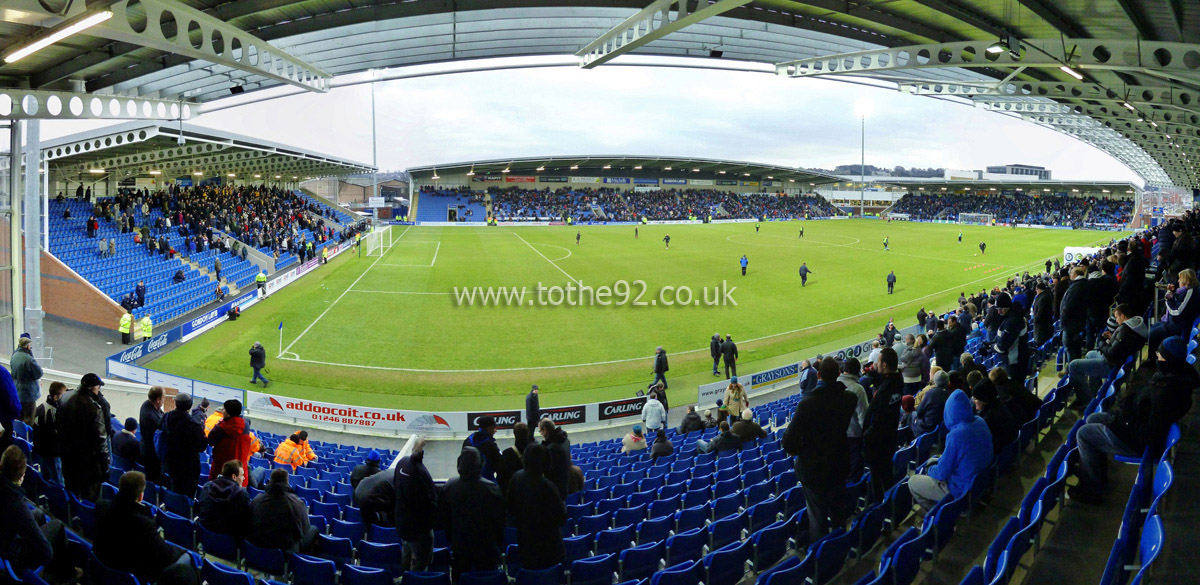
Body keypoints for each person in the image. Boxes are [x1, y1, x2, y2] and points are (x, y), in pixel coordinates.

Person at [1071, 336, 1197, 505]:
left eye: (1160, 355)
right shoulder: (1174, 377)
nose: (1156, 356)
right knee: (1093, 418)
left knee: (1084, 434)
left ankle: (1093, 489)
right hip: (1133, 424)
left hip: (1136, 441)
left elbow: (1149, 433)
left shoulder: (1167, 391)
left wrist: (1122, 423)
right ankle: (1095, 473)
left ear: (1169, 360)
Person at [783, 357, 857, 538]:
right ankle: (839, 551)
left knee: (818, 519)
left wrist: (800, 450)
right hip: (839, 466)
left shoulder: (807, 404)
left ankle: (822, 561)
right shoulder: (849, 398)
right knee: (838, 514)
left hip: (814, 471)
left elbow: (788, 441)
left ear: (818, 375)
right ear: (838, 375)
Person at [0, 446, 80, 584]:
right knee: (58, 525)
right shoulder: (16, 505)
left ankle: (55, 566)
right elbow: (46, 552)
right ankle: (67, 575)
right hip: (11, 553)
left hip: (6, 535)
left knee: (38, 513)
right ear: (21, 477)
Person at [95, 471, 190, 582]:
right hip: (133, 573)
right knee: (188, 558)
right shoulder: (144, 524)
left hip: (105, 566)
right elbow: (166, 557)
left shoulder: (101, 506)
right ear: (140, 496)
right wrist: (181, 551)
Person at [908, 390, 993, 511]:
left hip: (961, 489)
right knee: (933, 459)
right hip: (978, 482)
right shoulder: (980, 422)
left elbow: (941, 474)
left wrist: (929, 470)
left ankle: (936, 517)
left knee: (913, 481)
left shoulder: (956, 435)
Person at [439, 446, 507, 578]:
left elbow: (444, 519)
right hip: (487, 548)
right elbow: (500, 521)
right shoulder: (492, 489)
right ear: (480, 464)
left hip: (460, 548)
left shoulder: (449, 487)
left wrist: (453, 540)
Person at [1066, 303, 1147, 408]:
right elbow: (1119, 346)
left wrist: (1101, 343)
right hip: (1116, 361)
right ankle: (1095, 392)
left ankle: (1086, 401)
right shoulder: (1135, 327)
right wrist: (1112, 337)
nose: (1116, 320)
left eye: (1117, 317)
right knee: (1090, 354)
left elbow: (1111, 353)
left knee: (1073, 366)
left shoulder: (1125, 331)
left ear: (1123, 316)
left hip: (1110, 364)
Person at [506, 443, 567, 570]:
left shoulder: (516, 478)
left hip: (527, 548)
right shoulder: (549, 487)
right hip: (551, 550)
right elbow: (561, 518)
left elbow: (510, 509)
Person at [56, 373, 109, 501]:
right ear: (92, 389)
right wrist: (105, 467)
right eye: (98, 388)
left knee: (71, 493)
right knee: (90, 499)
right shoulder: (94, 408)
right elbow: (101, 440)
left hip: (67, 457)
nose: (99, 391)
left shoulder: (65, 397)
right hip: (87, 463)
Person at [863, 348, 904, 502]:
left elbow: (877, 419)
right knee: (886, 474)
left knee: (878, 479)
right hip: (891, 437)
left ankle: (880, 508)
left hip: (878, 443)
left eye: (878, 362)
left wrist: (866, 436)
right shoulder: (897, 380)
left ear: (885, 365)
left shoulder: (884, 392)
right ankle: (890, 504)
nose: (876, 364)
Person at [249, 468, 317, 553]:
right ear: (287, 482)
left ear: (270, 481)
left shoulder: (257, 499)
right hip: (283, 551)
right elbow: (304, 529)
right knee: (314, 529)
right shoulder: (297, 503)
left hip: (256, 547)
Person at [395, 438, 437, 571]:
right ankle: (416, 579)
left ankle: (405, 575)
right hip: (419, 529)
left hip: (402, 523)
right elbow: (431, 500)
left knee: (406, 551)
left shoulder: (401, 463)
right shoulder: (421, 473)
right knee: (421, 559)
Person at [1148, 268, 1200, 359]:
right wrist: (1170, 293)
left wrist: (1168, 301)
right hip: (1175, 321)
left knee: (1154, 333)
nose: (1178, 281)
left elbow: (1177, 311)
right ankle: (1155, 357)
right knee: (1154, 328)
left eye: (1180, 278)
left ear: (1185, 280)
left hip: (1179, 325)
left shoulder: (1190, 293)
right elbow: (1177, 301)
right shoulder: (1185, 291)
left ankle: (1153, 360)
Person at [162, 393, 207, 497]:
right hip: (188, 466)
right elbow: (202, 446)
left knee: (174, 487)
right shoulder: (193, 424)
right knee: (187, 493)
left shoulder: (166, 417)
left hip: (171, 461)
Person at [196, 460, 252, 539]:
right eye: (242, 475)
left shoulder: (207, 486)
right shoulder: (242, 495)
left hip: (204, 537)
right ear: (234, 477)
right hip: (228, 544)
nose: (244, 478)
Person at [208, 400, 252, 486]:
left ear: (228, 413)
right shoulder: (246, 427)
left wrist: (218, 424)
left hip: (220, 476)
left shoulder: (220, 428)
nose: (222, 411)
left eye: (224, 409)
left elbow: (210, 440)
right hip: (240, 477)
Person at [993, 292, 1031, 387]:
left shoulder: (1012, 321)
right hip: (1018, 359)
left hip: (1014, 362)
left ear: (1007, 307)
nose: (998, 312)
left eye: (1000, 309)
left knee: (1015, 389)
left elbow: (1003, 346)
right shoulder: (1014, 317)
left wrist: (992, 347)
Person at [839, 358, 869, 479]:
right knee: (854, 470)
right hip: (853, 436)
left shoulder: (833, 384)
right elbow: (863, 417)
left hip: (837, 435)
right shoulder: (858, 389)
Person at [31, 381, 66, 484]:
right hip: (51, 453)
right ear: (56, 397)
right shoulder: (52, 412)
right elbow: (55, 435)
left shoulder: (42, 406)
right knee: (58, 480)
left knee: (46, 476)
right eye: (63, 395)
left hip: (41, 451)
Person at [971, 380, 1018, 454]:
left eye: (976, 399)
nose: (974, 401)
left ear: (984, 400)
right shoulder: (999, 403)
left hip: (1000, 452)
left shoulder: (988, 418)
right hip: (1010, 448)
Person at [11, 337, 43, 424]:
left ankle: (18, 436)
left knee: (20, 418)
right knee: (29, 419)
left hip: (18, 391)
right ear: (28, 346)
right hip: (28, 393)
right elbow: (39, 373)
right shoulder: (28, 359)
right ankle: (27, 437)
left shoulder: (14, 355)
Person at [1060, 266, 1089, 361]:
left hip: (1071, 324)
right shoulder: (1083, 285)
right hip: (1077, 322)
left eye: (1071, 273)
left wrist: (1063, 321)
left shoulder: (1076, 287)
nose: (1070, 275)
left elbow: (1068, 307)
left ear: (1075, 275)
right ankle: (1073, 368)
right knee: (1075, 347)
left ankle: (1072, 371)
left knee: (1070, 348)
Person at [463, 415, 503, 482]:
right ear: (489, 428)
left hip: (467, 481)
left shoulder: (468, 440)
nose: (496, 430)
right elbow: (500, 466)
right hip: (487, 482)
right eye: (494, 428)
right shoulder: (490, 445)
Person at [539, 418, 572, 499]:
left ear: (545, 430)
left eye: (540, 431)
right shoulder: (565, 440)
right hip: (565, 485)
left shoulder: (551, 449)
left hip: (557, 490)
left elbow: (549, 470)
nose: (541, 434)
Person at [138, 387, 165, 483]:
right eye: (163, 397)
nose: (164, 400)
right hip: (152, 455)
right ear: (158, 400)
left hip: (147, 449)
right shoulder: (151, 417)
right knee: (154, 480)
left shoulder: (147, 405)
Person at [912, 370, 950, 437]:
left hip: (928, 427)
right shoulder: (950, 393)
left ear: (935, 381)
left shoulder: (931, 393)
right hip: (940, 426)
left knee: (911, 415)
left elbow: (919, 412)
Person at [498, 423, 531, 494]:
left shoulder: (507, 453)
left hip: (513, 494)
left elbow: (501, 478)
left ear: (514, 434)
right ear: (528, 433)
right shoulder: (535, 451)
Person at [1031, 280, 1055, 346]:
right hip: (1044, 325)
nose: (1036, 291)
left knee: (1041, 344)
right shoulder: (1045, 295)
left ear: (1040, 289)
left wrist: (1035, 320)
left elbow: (1041, 313)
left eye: (1036, 289)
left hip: (1042, 327)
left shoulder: (1043, 298)